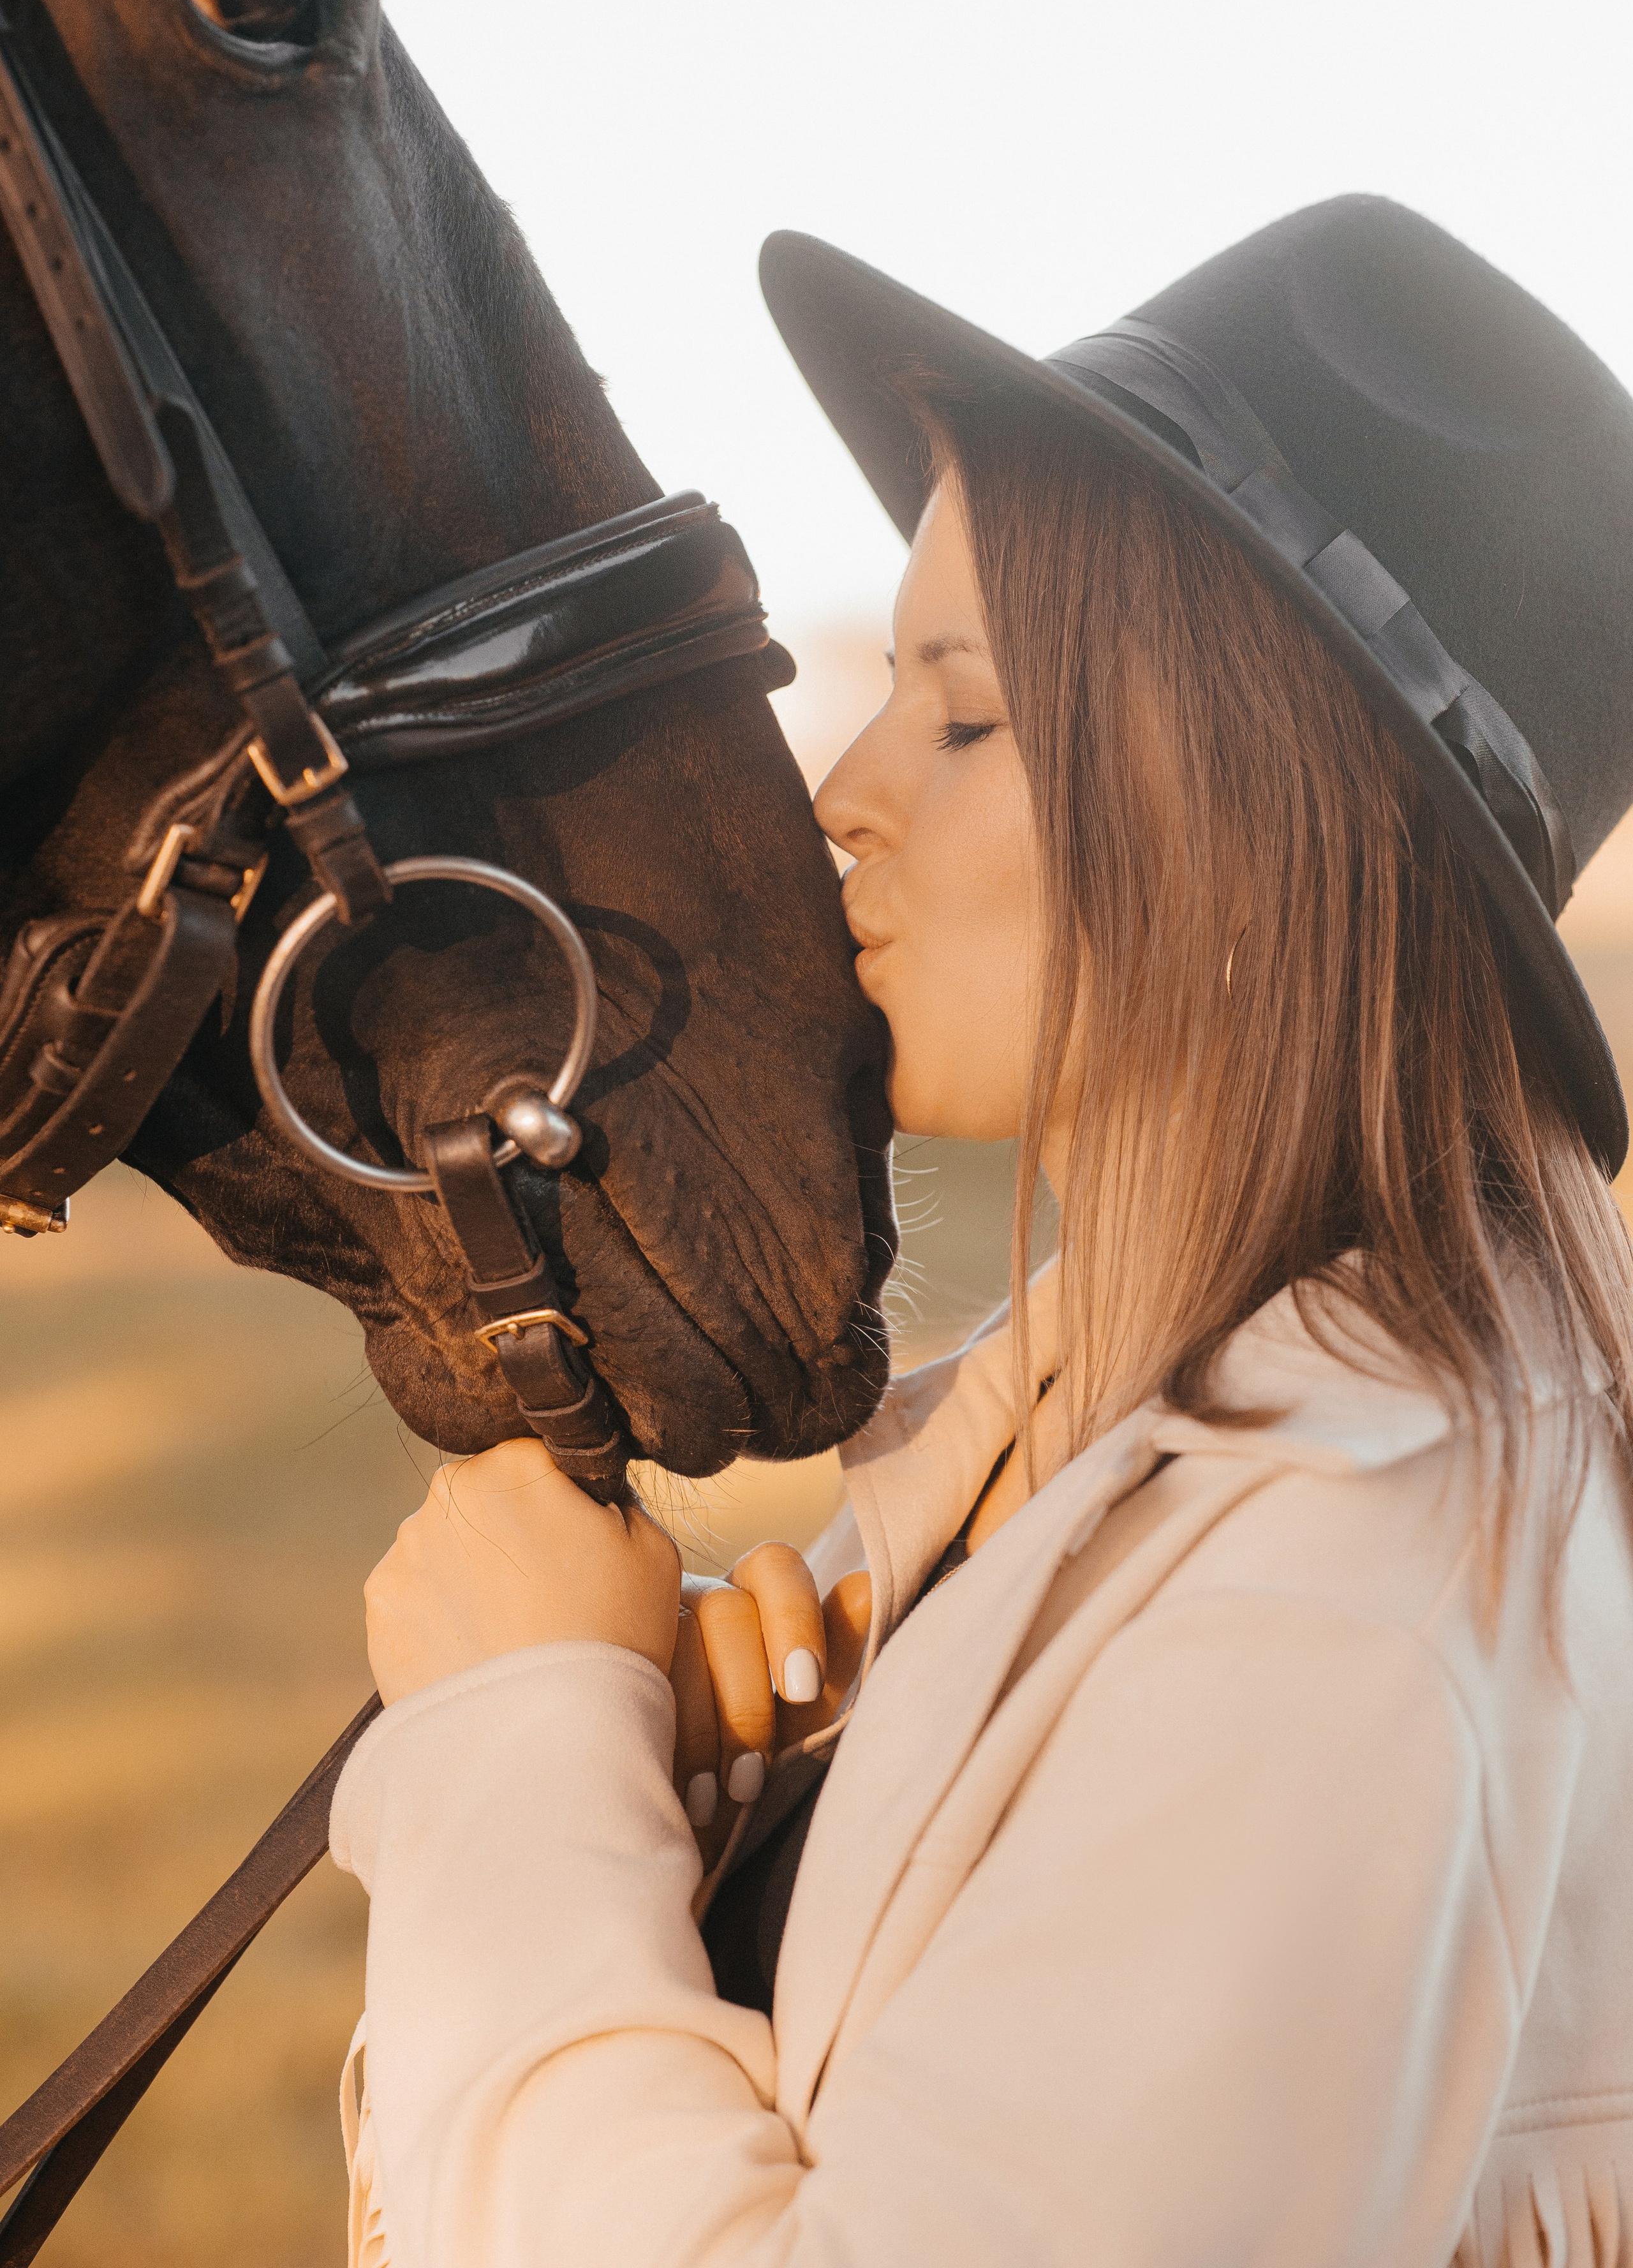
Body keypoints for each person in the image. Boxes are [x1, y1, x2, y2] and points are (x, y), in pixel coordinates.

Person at [332, 197, 1633, 2267]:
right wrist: (685, 1820)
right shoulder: (1112, 1455)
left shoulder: (1347, 1597)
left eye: (964, 716)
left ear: (1263, 812)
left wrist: (522, 1746)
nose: (840, 792)